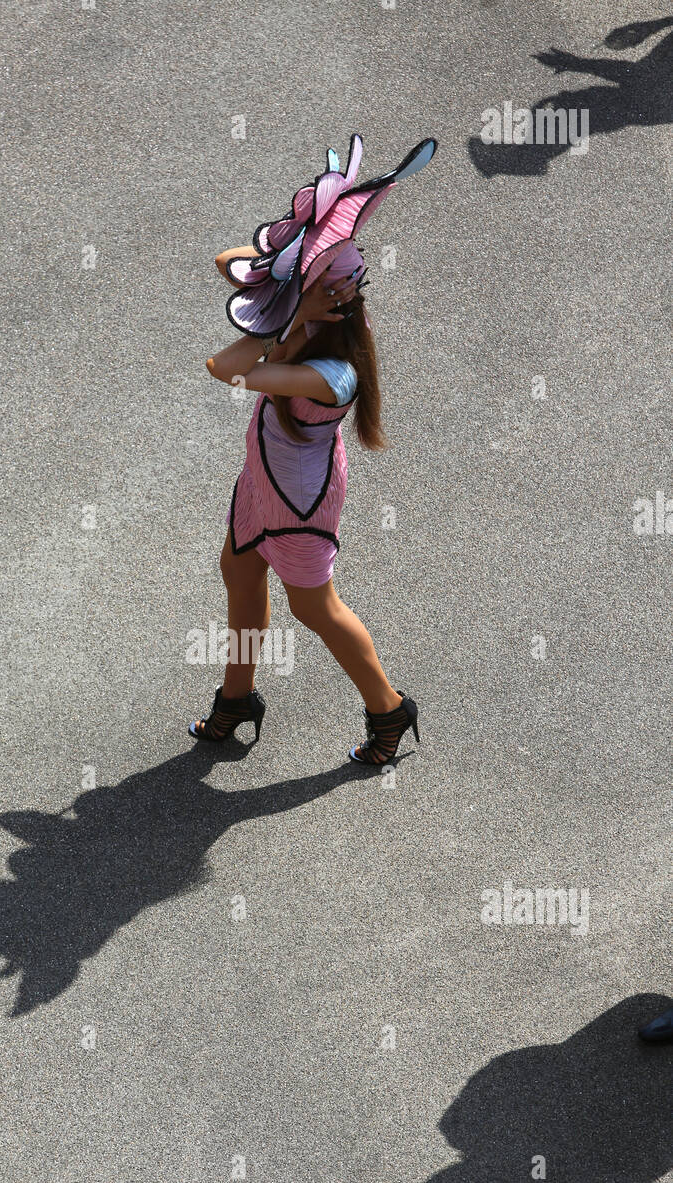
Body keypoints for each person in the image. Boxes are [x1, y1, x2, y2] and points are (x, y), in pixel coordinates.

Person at [189, 133, 436, 764]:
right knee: (240, 580)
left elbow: (227, 367)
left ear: (326, 298)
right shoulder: (326, 319)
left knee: (314, 608)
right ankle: (236, 699)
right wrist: (291, 261)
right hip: (261, 481)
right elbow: (229, 260)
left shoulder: (333, 375)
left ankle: (389, 709)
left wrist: (293, 312)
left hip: (298, 501)